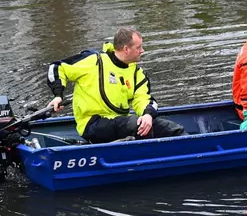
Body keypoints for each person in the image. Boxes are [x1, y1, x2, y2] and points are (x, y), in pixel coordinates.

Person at [46, 28, 185, 143]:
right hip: (92, 124)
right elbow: (58, 67)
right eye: (139, 47)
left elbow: (143, 98)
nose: (142, 51)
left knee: (171, 129)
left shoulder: (137, 73)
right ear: (126, 49)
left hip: (120, 122)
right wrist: (58, 95)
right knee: (137, 125)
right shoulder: (93, 61)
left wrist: (147, 115)